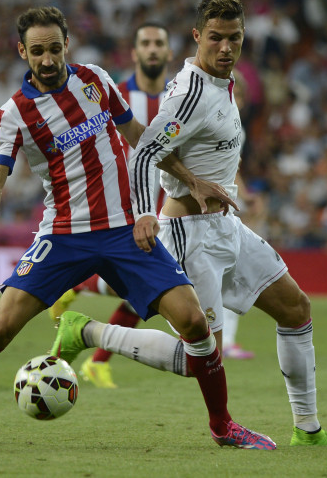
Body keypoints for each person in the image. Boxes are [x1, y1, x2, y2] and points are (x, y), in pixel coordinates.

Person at [0, 5, 275, 449]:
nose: (48, 59)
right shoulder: (15, 114)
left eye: (55, 48)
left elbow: (141, 135)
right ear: (22, 51)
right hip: (64, 235)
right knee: (0, 328)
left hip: (125, 231)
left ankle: (224, 427)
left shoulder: (95, 81)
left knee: (195, 322)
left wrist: (193, 179)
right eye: (38, 51)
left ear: (68, 45)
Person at [53, 0, 327, 447]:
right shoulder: (189, 93)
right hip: (189, 235)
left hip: (227, 228)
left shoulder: (225, 82)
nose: (225, 47)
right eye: (215, 38)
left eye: (234, 38)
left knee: (296, 309)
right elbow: (144, 153)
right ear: (197, 36)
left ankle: (309, 431)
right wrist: (145, 212)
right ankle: (88, 331)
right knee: (204, 356)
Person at [50, 22, 253, 389]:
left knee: (151, 290)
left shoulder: (182, 94)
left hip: (175, 203)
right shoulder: (117, 94)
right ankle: (87, 317)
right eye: (146, 43)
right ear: (135, 52)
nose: (154, 49)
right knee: (151, 289)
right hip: (130, 205)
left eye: (160, 42)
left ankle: (90, 331)